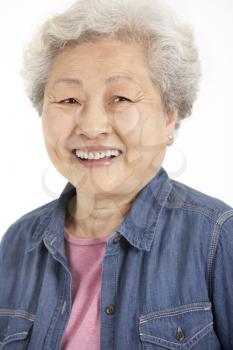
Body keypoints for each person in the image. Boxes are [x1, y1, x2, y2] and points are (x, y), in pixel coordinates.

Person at [0, 0, 232, 349]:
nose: (92, 126)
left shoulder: (217, 238)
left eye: (121, 98)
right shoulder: (17, 243)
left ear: (169, 117)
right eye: (68, 100)